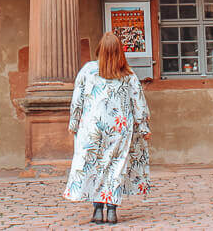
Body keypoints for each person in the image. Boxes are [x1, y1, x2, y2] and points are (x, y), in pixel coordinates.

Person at [63, 31, 151, 224]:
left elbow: (77, 101)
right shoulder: (127, 74)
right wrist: (143, 128)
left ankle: (97, 210)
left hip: (92, 127)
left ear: (100, 50)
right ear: (120, 51)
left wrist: (73, 123)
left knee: (95, 166)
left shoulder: (88, 70)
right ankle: (111, 210)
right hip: (120, 128)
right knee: (115, 167)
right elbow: (138, 103)